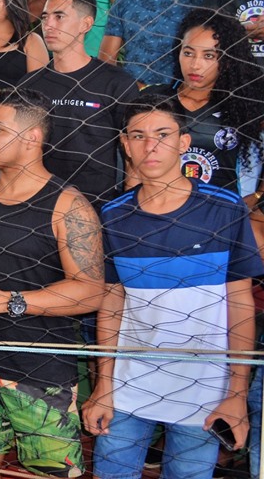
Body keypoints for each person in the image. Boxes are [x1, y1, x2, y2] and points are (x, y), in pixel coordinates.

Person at [84, 95, 261, 479]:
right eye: (138, 135)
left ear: (184, 142)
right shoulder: (113, 215)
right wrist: (103, 385)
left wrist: (236, 394)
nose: (151, 146)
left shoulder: (225, 208)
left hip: (206, 390)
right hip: (128, 386)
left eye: (162, 134)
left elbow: (241, 303)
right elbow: (112, 304)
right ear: (124, 144)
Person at [0, 88, 104, 478]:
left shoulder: (68, 205)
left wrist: (9, 301)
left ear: (32, 138)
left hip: (41, 369)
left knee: (49, 473)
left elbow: (92, 290)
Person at [18, 0, 140, 208]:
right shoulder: (29, 84)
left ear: (86, 24)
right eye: (45, 17)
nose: (48, 25)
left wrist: (130, 204)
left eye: (59, 16)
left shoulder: (116, 83)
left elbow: (132, 150)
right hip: (36, 203)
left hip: (97, 204)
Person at [139, 8, 264, 194]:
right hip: (161, 211)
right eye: (188, 53)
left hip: (226, 214)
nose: (195, 65)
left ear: (228, 60)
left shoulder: (249, 103)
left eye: (209, 56)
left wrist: (258, 202)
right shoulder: (154, 99)